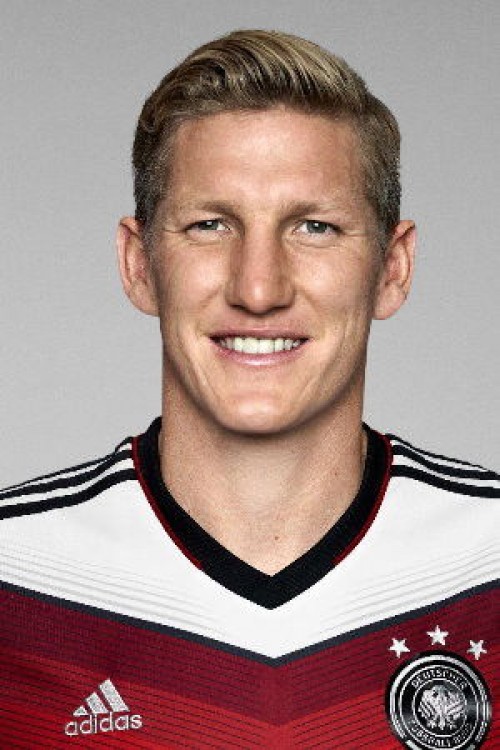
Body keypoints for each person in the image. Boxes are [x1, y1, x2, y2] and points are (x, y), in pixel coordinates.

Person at [0, 29, 497, 749]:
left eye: (315, 227)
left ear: (393, 269)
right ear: (139, 265)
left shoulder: (488, 564)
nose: (258, 288)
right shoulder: (17, 580)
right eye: (210, 225)